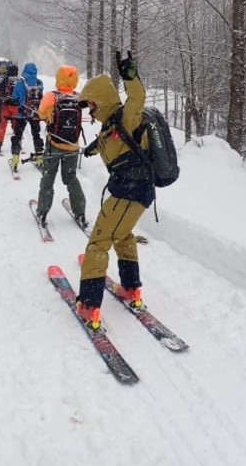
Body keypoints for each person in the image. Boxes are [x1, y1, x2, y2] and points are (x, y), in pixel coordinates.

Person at [75, 51, 154, 331]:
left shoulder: (126, 116)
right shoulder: (110, 127)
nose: (90, 111)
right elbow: (115, 142)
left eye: (91, 105)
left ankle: (89, 305)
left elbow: (138, 99)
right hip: (137, 192)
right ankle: (131, 289)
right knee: (122, 236)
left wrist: (129, 74)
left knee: (98, 243)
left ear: (102, 101)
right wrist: (93, 147)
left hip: (127, 192)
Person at [36, 65, 87, 227]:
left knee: (48, 177)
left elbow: (40, 114)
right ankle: (80, 211)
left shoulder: (51, 96)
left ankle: (43, 211)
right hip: (73, 145)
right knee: (71, 177)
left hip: (54, 144)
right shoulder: (79, 97)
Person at [10, 62, 44, 171]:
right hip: (35, 114)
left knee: (18, 136)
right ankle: (39, 159)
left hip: (21, 114)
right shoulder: (39, 83)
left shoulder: (20, 83)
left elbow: (15, 98)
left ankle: (15, 161)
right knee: (36, 135)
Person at [0, 63, 20, 153]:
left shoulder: (4, 79)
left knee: (2, 125)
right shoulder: (20, 81)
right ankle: (17, 144)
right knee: (16, 125)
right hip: (16, 106)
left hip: (5, 105)